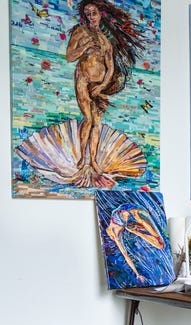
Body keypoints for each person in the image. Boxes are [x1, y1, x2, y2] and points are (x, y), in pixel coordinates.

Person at [66, 0, 143, 187]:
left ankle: (92, 160)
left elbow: (110, 67)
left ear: (100, 15)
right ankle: (82, 159)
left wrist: (102, 86)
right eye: (87, 13)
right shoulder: (80, 32)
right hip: (83, 81)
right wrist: (85, 47)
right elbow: (69, 56)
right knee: (89, 119)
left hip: (99, 86)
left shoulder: (104, 39)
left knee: (97, 124)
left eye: (94, 13)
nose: (91, 17)